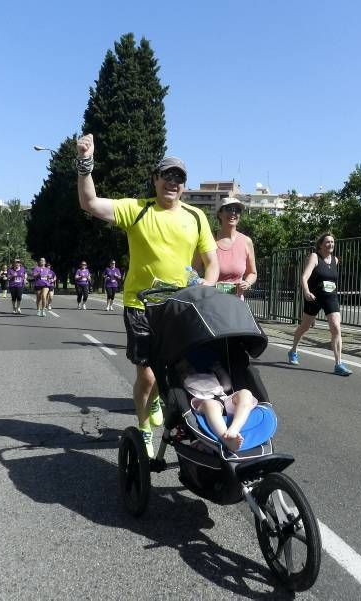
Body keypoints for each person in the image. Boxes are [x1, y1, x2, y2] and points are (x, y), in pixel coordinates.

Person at [76, 133, 219, 458]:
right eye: (166, 175)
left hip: (181, 306)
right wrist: (86, 163)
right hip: (141, 304)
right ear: (155, 179)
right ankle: (143, 428)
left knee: (180, 370)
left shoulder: (196, 217)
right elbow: (90, 203)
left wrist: (207, 287)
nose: (173, 182)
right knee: (148, 372)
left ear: (184, 185)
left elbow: (213, 263)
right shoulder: (137, 210)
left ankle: (161, 404)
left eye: (179, 178)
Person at [287, 233, 352, 376]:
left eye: (333, 242)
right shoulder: (314, 257)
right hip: (314, 297)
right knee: (304, 327)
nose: (331, 244)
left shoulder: (335, 260)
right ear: (321, 245)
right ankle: (293, 350)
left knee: (336, 327)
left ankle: (338, 363)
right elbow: (304, 277)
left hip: (330, 297)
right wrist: (306, 292)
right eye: (328, 242)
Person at [179, 351, 257, 452]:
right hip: (203, 401)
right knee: (211, 405)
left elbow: (227, 386)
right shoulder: (185, 377)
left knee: (245, 393)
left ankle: (235, 428)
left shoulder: (211, 375)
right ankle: (227, 439)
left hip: (223, 397)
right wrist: (183, 370)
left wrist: (218, 368)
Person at [214, 197, 257, 299]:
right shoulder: (209, 239)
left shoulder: (246, 241)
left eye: (237, 210)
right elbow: (194, 269)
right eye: (228, 209)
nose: (233, 213)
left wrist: (247, 283)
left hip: (236, 304)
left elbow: (252, 273)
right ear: (220, 214)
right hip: (211, 301)